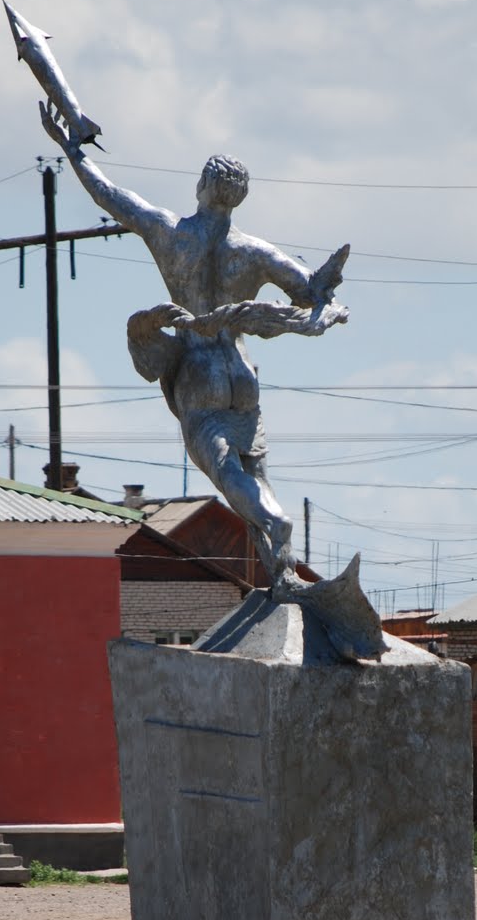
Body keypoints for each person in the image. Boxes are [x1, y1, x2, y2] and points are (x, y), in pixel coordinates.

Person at [40, 111, 348, 581]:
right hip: (241, 374)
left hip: (200, 376)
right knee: (256, 477)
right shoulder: (256, 252)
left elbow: (111, 195)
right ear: (240, 197)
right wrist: (324, 294)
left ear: (202, 186)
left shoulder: (171, 232)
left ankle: (275, 523)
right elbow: (310, 292)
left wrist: (71, 149)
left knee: (227, 473)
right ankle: (283, 574)